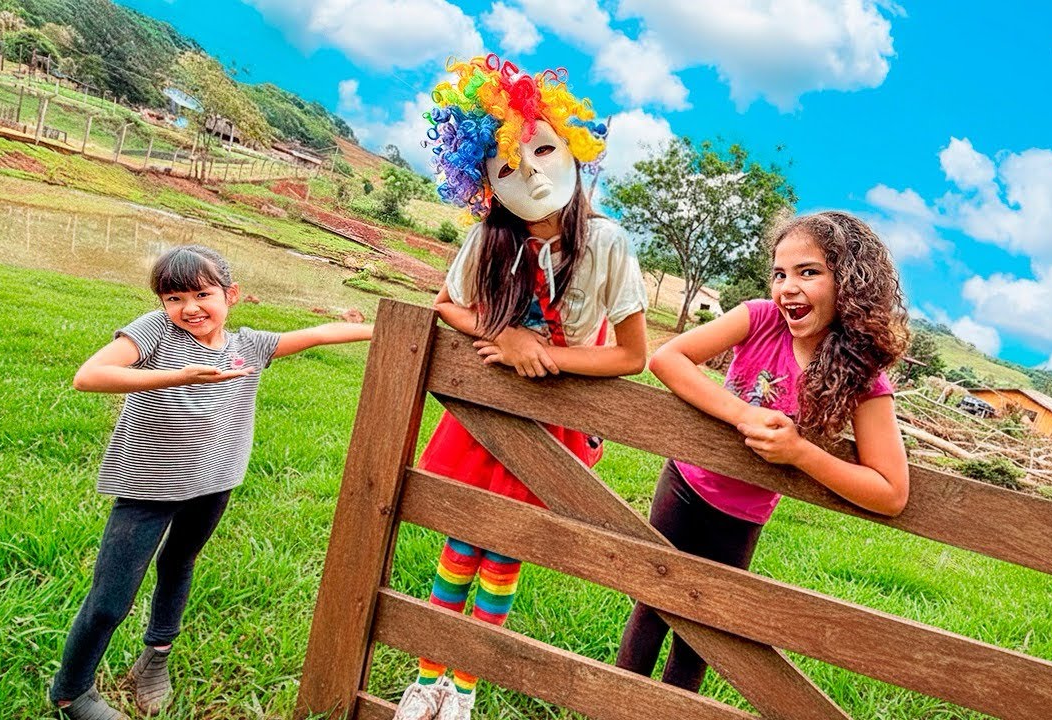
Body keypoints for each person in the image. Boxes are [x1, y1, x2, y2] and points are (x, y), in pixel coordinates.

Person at [392, 54, 648, 720]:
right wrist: (506, 336)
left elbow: (631, 357)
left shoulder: (610, 243)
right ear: (480, 180)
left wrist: (551, 358)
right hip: (485, 415)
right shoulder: (487, 238)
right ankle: (427, 680)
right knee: (460, 542)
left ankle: (465, 688)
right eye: (506, 165)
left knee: (505, 550)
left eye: (541, 150)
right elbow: (445, 303)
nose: (529, 172)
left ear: (572, 147)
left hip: (554, 423)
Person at [49, 244, 375, 719]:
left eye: (202, 293)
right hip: (147, 489)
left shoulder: (251, 347)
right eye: (174, 298)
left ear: (232, 294)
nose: (189, 308)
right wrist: (176, 377)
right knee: (111, 597)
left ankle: (155, 659)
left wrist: (386, 327)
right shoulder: (156, 333)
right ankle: (70, 691)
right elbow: (89, 376)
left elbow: (320, 333)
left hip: (214, 482)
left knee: (179, 563)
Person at [615, 211, 911, 691]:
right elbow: (667, 358)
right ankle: (614, 702)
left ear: (851, 282)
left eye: (808, 272)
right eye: (779, 273)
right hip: (685, 482)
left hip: (744, 514)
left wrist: (800, 453)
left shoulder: (865, 378)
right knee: (653, 598)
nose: (786, 287)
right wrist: (742, 414)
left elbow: (892, 492)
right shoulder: (759, 319)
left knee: (706, 623)